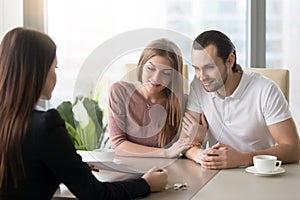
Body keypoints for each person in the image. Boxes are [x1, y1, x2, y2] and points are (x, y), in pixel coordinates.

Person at [0, 27, 168, 199]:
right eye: (55, 67)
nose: (55, 75)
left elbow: (24, 176)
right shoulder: (46, 125)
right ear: (38, 71)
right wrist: (146, 184)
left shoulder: (11, 122)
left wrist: (66, 167)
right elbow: (95, 194)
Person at [182, 30, 300, 169]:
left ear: (230, 60)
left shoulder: (265, 89)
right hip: (217, 175)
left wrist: (243, 158)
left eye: (209, 67)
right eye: (196, 68)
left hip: (257, 173)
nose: (201, 76)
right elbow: (185, 142)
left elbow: (294, 149)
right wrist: (200, 155)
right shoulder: (198, 87)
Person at [108, 38, 190, 158]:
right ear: (141, 66)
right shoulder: (119, 91)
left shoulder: (183, 102)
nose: (156, 78)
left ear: (173, 76)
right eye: (150, 68)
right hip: (127, 169)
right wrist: (165, 153)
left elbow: (186, 146)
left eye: (166, 73)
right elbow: (118, 144)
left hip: (165, 171)